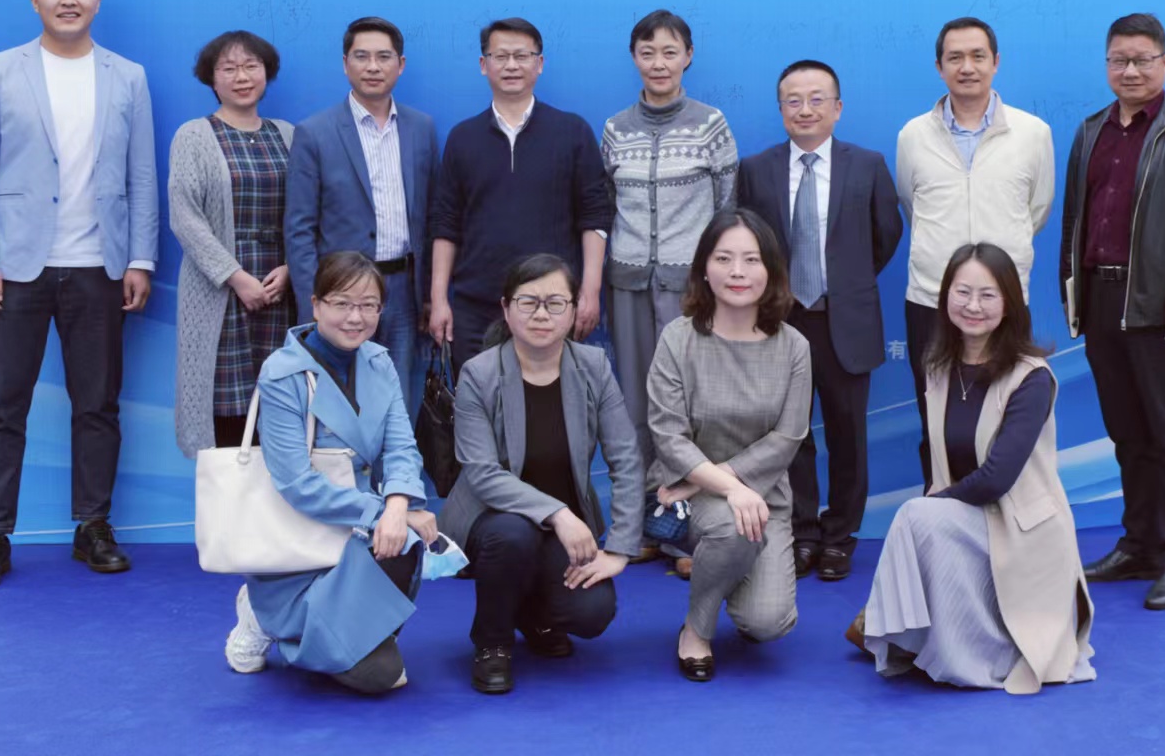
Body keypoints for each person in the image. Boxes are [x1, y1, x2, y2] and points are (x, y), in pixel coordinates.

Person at [0, 0, 157, 592]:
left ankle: (92, 526)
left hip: (100, 265)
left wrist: (140, 258)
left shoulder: (127, 76)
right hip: (14, 268)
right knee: (0, 405)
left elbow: (142, 174)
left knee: (97, 404)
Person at [848, 243, 1094, 694]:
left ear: (1010, 303)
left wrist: (934, 506)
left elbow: (997, 477)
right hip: (969, 519)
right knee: (921, 514)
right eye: (962, 292)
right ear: (945, 297)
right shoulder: (938, 366)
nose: (973, 306)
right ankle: (899, 626)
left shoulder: (1032, 377)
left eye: (988, 295)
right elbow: (938, 457)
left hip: (1023, 529)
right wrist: (935, 506)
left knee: (917, 513)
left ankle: (891, 626)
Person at [1060, 13, 1165, 611]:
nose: (1129, 70)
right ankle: (1139, 546)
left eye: (1141, 59)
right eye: (1118, 60)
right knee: (1128, 436)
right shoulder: (1090, 131)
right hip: (1102, 305)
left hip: (1161, 312)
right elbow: (1074, 221)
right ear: (1107, 64)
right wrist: (1073, 296)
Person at [220, 251, 440, 693]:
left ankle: (347, 635)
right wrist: (381, 512)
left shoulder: (378, 361)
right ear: (316, 304)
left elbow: (401, 446)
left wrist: (399, 504)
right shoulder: (282, 374)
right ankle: (264, 614)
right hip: (301, 546)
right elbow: (297, 484)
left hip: (358, 538)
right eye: (342, 303)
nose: (355, 317)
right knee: (380, 676)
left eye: (368, 305)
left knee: (408, 537)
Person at [439, 254, 644, 695]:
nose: (541, 314)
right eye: (528, 302)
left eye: (555, 303)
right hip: (491, 519)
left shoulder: (593, 367)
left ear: (574, 310)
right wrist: (558, 513)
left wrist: (621, 548)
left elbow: (626, 459)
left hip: (559, 532)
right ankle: (492, 642)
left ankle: (531, 615)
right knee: (513, 535)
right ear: (506, 308)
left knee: (592, 613)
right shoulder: (479, 373)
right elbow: (482, 474)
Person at [735, 60, 902, 583]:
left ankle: (839, 537)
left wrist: (845, 282)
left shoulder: (868, 165)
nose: (805, 109)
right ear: (781, 108)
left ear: (837, 107)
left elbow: (886, 235)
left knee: (848, 435)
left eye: (816, 99)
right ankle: (801, 533)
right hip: (781, 322)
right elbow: (747, 243)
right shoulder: (755, 169)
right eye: (793, 100)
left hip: (842, 318)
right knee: (790, 435)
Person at [647, 207, 812, 681]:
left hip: (761, 498)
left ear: (771, 270)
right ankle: (696, 630)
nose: (737, 272)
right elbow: (668, 435)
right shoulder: (677, 339)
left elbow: (788, 437)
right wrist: (725, 487)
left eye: (751, 260)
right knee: (733, 529)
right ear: (704, 267)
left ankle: (726, 567)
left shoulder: (794, 346)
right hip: (686, 496)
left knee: (768, 623)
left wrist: (730, 484)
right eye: (724, 258)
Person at [895, 16, 1054, 484]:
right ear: (939, 67)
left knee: (1006, 418)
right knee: (935, 420)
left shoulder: (1032, 133)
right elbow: (911, 205)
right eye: (955, 58)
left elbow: (1037, 209)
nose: (967, 67)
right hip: (931, 300)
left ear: (996, 62)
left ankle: (1004, 512)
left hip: (1004, 301)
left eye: (978, 56)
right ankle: (939, 508)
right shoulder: (913, 135)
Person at [600, 8, 736, 547]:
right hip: (628, 284)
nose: (659, 63)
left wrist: (708, 273)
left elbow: (727, 209)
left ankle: (692, 526)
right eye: (648, 52)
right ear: (634, 58)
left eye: (670, 52)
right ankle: (638, 523)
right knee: (635, 404)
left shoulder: (711, 125)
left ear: (688, 56)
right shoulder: (615, 129)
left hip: (691, 289)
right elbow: (607, 206)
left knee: (692, 405)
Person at [429, 17, 612, 365]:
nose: (511, 65)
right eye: (500, 56)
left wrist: (589, 290)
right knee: (478, 396)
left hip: (552, 305)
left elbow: (595, 216)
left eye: (522, 56)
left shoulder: (572, 132)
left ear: (539, 64)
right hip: (477, 306)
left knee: (551, 397)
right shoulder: (462, 138)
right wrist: (439, 299)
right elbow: (445, 223)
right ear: (483, 64)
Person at [285, 16, 441, 421]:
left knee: (398, 403)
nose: (373, 66)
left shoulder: (421, 128)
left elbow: (432, 216)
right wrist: (314, 303)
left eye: (383, 57)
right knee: (339, 404)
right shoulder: (315, 132)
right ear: (345, 64)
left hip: (403, 291)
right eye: (362, 56)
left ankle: (395, 466)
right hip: (341, 294)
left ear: (400, 65)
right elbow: (299, 229)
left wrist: (429, 294)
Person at [168, 30, 295, 454]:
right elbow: (186, 219)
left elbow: (307, 212)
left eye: (251, 66)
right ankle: (228, 498)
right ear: (212, 78)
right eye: (229, 68)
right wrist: (237, 278)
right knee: (226, 410)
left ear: (266, 73)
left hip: (280, 291)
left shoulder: (288, 135)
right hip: (219, 292)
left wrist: (291, 269)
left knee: (281, 407)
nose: (242, 77)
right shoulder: (194, 135)